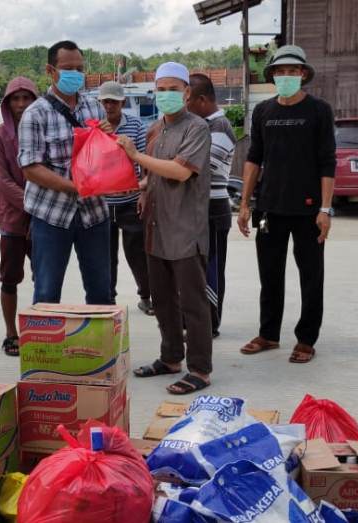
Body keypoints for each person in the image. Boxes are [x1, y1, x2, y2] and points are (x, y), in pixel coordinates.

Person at [117, 62, 213, 395]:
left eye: (174, 89)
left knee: (193, 303)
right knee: (162, 299)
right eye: (161, 89)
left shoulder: (197, 128)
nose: (167, 95)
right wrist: (142, 187)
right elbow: (156, 174)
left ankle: (200, 369)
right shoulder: (155, 129)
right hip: (156, 227)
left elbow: (180, 172)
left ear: (187, 93)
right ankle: (171, 358)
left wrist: (135, 156)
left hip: (186, 228)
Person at [236, 45, 336, 364]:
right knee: (270, 274)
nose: (286, 76)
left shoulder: (319, 110)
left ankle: (306, 338)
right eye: (280, 72)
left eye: (292, 71)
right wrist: (245, 204)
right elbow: (254, 159)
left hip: (307, 210)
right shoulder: (264, 111)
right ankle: (268, 334)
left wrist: (325, 209)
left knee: (311, 275)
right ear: (272, 76)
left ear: (303, 74)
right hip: (269, 208)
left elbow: (327, 162)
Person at [18, 41, 112, 305]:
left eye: (80, 68)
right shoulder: (35, 114)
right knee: (47, 293)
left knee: (101, 291)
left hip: (94, 214)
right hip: (51, 216)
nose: (76, 74)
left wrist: (108, 140)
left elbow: (107, 159)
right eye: (68, 68)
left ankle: (99, 346)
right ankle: (46, 346)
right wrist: (75, 187)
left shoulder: (95, 107)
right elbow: (31, 168)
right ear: (51, 70)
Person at [0, 76, 39, 356]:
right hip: (12, 218)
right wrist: (32, 204)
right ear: (8, 103)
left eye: (26, 98)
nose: (21, 104)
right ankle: (11, 333)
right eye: (15, 99)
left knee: (43, 276)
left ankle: (41, 330)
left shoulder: (42, 131)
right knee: (10, 278)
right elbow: (2, 181)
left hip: (42, 216)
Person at [186, 73, 236, 338]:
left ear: (202, 100)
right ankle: (196, 320)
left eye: (188, 99)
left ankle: (210, 324)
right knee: (195, 269)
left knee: (211, 268)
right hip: (195, 210)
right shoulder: (201, 125)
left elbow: (202, 167)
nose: (184, 105)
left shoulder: (220, 127)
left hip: (213, 210)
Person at [97, 81, 153, 315]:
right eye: (105, 101)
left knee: (138, 253)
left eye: (114, 101)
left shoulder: (136, 126)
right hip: (102, 202)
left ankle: (146, 296)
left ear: (122, 102)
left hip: (129, 200)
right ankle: (107, 298)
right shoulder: (94, 127)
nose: (109, 106)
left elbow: (142, 162)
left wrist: (143, 192)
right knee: (105, 256)